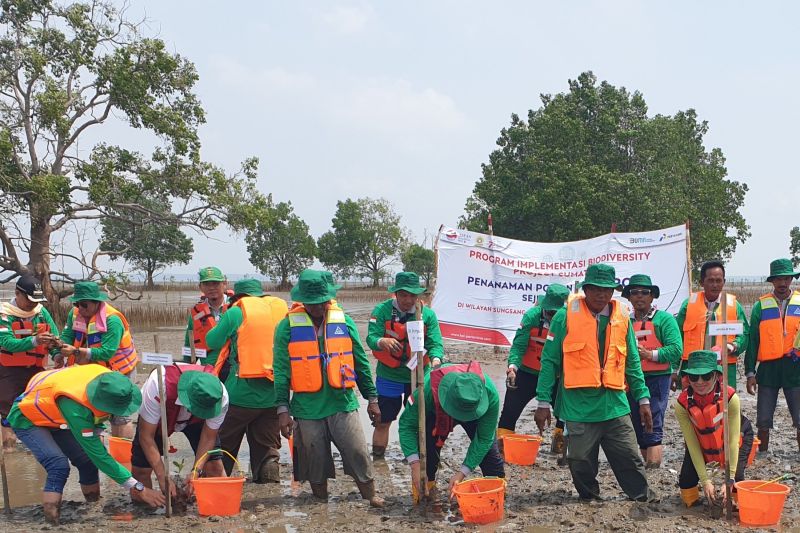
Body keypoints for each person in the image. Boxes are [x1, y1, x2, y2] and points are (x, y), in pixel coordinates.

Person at [534, 263, 654, 502]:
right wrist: (543, 402)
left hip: (614, 404)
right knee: (579, 460)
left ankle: (642, 497)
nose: (602, 294)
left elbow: (631, 361)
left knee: (629, 456)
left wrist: (643, 399)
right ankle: (589, 497)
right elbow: (549, 361)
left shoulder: (621, 317)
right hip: (578, 406)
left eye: (607, 289)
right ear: (585, 289)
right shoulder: (564, 316)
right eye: (596, 289)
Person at [274, 270, 384, 507]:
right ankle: (319, 499)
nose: (317, 308)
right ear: (302, 300)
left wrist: (372, 398)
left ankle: (370, 495)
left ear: (329, 298)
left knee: (357, 451)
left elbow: (361, 362)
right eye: (311, 303)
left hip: (342, 401)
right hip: (306, 407)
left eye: (321, 301)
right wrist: (282, 408)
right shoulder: (286, 327)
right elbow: (281, 370)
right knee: (314, 456)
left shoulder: (344, 321)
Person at [7, 365, 164, 524]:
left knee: (87, 461)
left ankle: (93, 504)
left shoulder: (111, 381)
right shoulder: (75, 407)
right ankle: (51, 520)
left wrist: (97, 432)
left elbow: (95, 432)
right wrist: (139, 488)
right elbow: (99, 456)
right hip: (28, 417)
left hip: (57, 415)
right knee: (58, 465)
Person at [206, 278, 288, 483]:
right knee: (267, 448)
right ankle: (268, 486)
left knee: (224, 444)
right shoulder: (280, 310)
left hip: (240, 394)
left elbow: (212, 341)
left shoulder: (235, 312)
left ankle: (218, 484)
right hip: (274, 395)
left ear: (238, 297)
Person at [399, 361, 503, 503]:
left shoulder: (490, 395)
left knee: (492, 461)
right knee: (427, 456)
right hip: (439, 411)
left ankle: (494, 500)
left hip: (474, 412)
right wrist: (415, 465)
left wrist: (462, 473)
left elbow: (484, 439)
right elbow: (407, 425)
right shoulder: (427, 390)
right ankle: (425, 496)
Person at [367, 271, 444, 458]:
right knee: (382, 421)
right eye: (403, 295)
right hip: (389, 376)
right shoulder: (381, 311)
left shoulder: (428, 315)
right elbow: (371, 337)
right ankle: (378, 459)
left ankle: (420, 457)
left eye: (412, 295)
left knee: (420, 420)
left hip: (418, 377)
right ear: (396, 293)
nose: (408, 300)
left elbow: (435, 343)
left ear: (418, 295)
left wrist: (436, 360)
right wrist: (382, 342)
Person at [131, 363, 229, 496]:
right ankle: (145, 506)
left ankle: (217, 505)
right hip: (162, 414)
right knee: (141, 471)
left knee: (214, 466)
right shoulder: (158, 385)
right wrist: (163, 476)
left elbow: (208, 436)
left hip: (195, 421)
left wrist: (196, 471)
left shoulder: (218, 397)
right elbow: (146, 436)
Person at [58, 281, 139, 439]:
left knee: (120, 416)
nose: (80, 308)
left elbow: (107, 352)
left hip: (120, 371)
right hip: (91, 371)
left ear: (96, 303)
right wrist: (58, 350)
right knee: (92, 414)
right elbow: (67, 337)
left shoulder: (112, 320)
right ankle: (97, 456)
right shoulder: (74, 313)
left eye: (84, 304)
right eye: (77, 303)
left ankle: (121, 457)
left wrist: (75, 351)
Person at [675, 350, 753, 507]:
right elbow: (692, 445)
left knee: (736, 477)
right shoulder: (681, 405)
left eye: (706, 376)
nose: (700, 382)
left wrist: (729, 478)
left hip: (736, 435)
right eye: (694, 377)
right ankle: (695, 500)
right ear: (687, 378)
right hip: (701, 439)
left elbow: (732, 441)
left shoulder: (731, 398)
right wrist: (705, 481)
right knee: (686, 481)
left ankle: (735, 501)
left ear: (716, 376)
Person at [498, 283, 570, 453]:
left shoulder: (569, 320)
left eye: (557, 313)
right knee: (509, 411)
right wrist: (512, 368)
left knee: (564, 414)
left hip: (555, 376)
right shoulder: (531, 316)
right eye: (551, 313)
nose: (554, 317)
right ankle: (501, 448)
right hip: (526, 374)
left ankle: (559, 447)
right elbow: (518, 346)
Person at [621, 274, 683, 468]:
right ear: (629, 297)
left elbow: (676, 349)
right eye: (635, 292)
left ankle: (654, 468)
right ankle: (647, 464)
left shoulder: (664, 320)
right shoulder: (623, 321)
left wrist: (649, 354)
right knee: (635, 421)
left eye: (644, 293)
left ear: (652, 296)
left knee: (653, 419)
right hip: (631, 378)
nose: (640, 296)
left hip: (657, 377)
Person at [745, 258, 800, 453]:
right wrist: (750, 372)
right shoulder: (761, 306)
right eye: (778, 279)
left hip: (796, 368)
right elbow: (752, 341)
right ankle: (762, 455)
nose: (783, 283)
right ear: (772, 281)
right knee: (764, 419)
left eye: (786, 278)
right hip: (768, 369)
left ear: (791, 279)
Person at [0, 274, 59, 451]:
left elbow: (54, 336)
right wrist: (35, 341)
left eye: (36, 300)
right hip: (9, 372)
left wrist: (57, 354)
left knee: (36, 410)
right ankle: (9, 452)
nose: (33, 304)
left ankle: (35, 449)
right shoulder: (4, 314)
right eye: (30, 300)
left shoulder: (41, 312)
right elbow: (6, 342)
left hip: (36, 371)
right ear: (18, 294)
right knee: (8, 413)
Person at [675, 260, 749, 389]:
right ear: (702, 282)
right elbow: (676, 337)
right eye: (710, 280)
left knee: (724, 404)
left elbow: (745, 334)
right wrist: (673, 369)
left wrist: (733, 346)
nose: (715, 285)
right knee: (690, 405)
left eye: (718, 280)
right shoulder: (688, 305)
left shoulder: (734, 306)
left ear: (724, 282)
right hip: (694, 368)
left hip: (723, 367)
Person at [183, 266, 230, 379]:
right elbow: (189, 345)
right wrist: (187, 370)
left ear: (224, 284)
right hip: (208, 371)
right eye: (207, 284)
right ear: (200, 287)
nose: (211, 288)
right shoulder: (196, 312)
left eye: (215, 283)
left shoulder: (236, 307)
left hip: (232, 370)